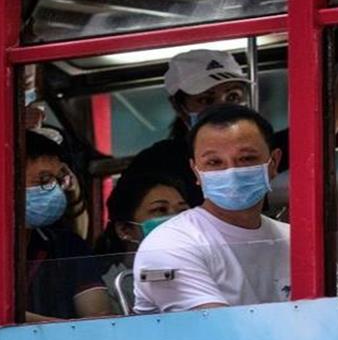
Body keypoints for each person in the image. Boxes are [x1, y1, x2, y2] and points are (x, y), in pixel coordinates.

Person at [125, 27, 338, 207]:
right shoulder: (157, 162)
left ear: (272, 163)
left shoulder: (259, 148)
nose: (222, 108)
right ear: (180, 108)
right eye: (206, 100)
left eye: (233, 97)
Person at [133, 105, 290, 313]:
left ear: (274, 163)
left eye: (246, 159)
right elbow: (215, 328)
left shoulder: (295, 240)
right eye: (214, 162)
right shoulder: (170, 244)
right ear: (196, 172)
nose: (231, 171)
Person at [24, 131, 113, 322]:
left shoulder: (67, 246)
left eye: (58, 180)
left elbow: (99, 318)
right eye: (44, 180)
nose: (54, 189)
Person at [94, 172, 189, 312]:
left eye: (182, 211)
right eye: (160, 210)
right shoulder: (107, 288)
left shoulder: (197, 269)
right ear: (125, 230)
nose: (176, 219)